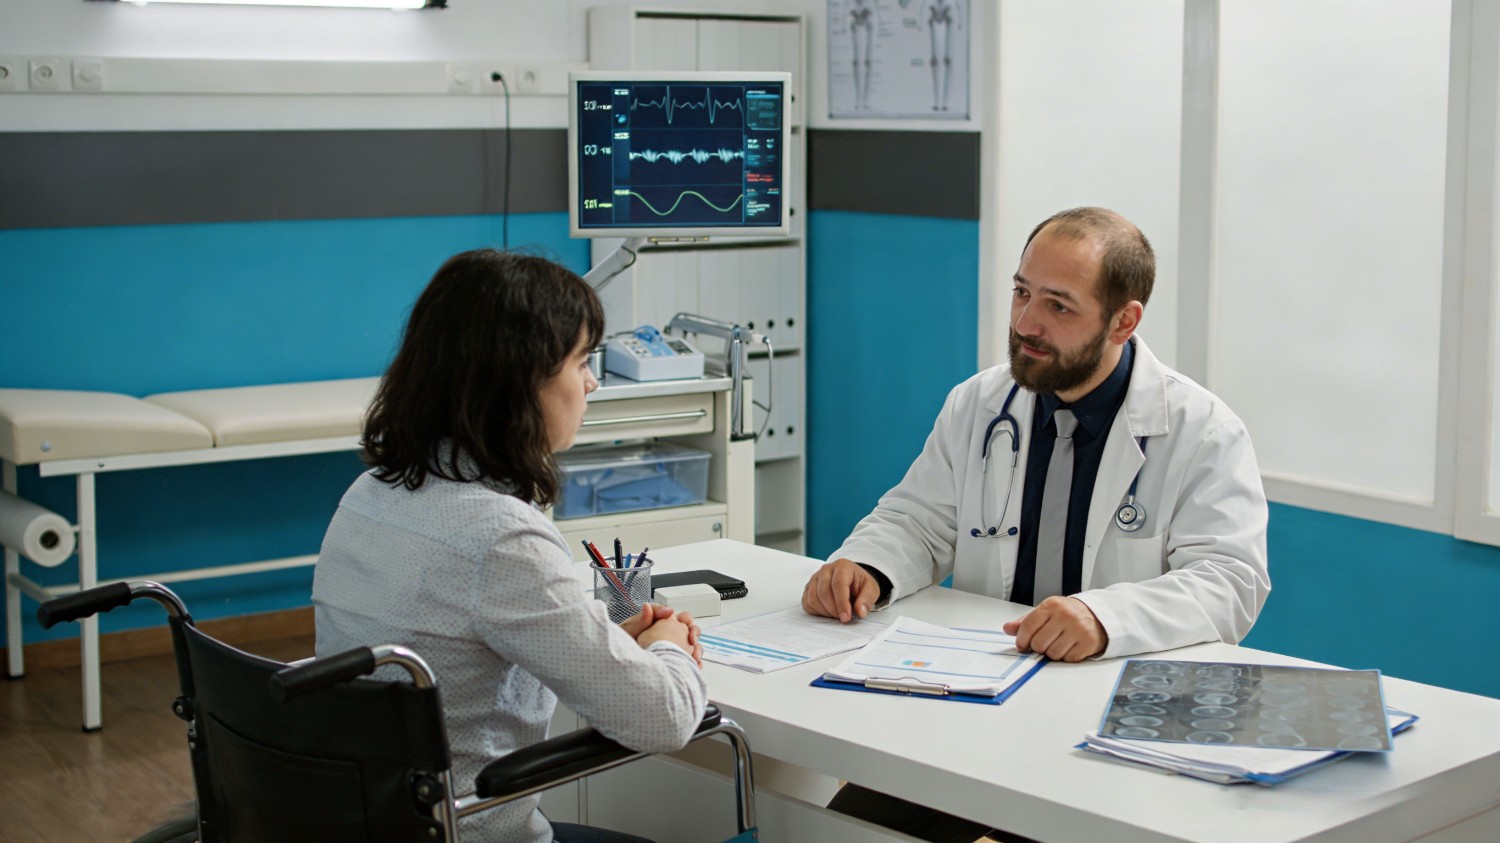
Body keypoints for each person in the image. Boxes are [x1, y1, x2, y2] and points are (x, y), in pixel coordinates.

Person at [802, 207, 1270, 843]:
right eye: (1022, 292)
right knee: (838, 831)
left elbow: (1230, 581)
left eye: (1058, 305)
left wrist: (1104, 617)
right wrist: (868, 566)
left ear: (1124, 321)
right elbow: (918, 518)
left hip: (1108, 722)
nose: (1026, 323)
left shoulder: (1203, 431)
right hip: (976, 700)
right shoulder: (979, 403)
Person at [313, 249, 707, 843]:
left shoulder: (371, 491)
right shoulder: (499, 536)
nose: (592, 382)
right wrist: (667, 646)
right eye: (581, 362)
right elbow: (666, 719)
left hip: (367, 823)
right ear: (520, 383)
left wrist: (596, 632)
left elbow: (462, 629)